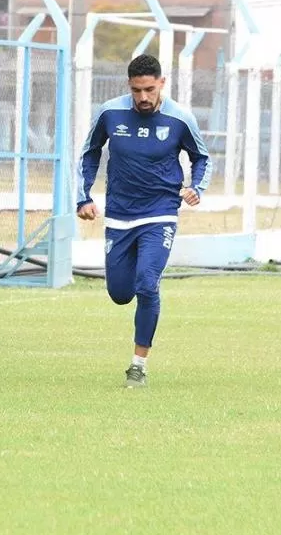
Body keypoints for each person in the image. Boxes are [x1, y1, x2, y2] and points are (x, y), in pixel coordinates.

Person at [77, 53, 212, 388]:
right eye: (137, 90)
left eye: (150, 89)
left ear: (161, 83)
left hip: (161, 213)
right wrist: (83, 196)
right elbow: (88, 153)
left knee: (147, 284)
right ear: (129, 86)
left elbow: (201, 156)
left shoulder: (180, 118)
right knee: (121, 293)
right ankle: (134, 279)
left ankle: (138, 366)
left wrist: (196, 187)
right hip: (120, 215)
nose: (143, 98)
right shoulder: (110, 113)